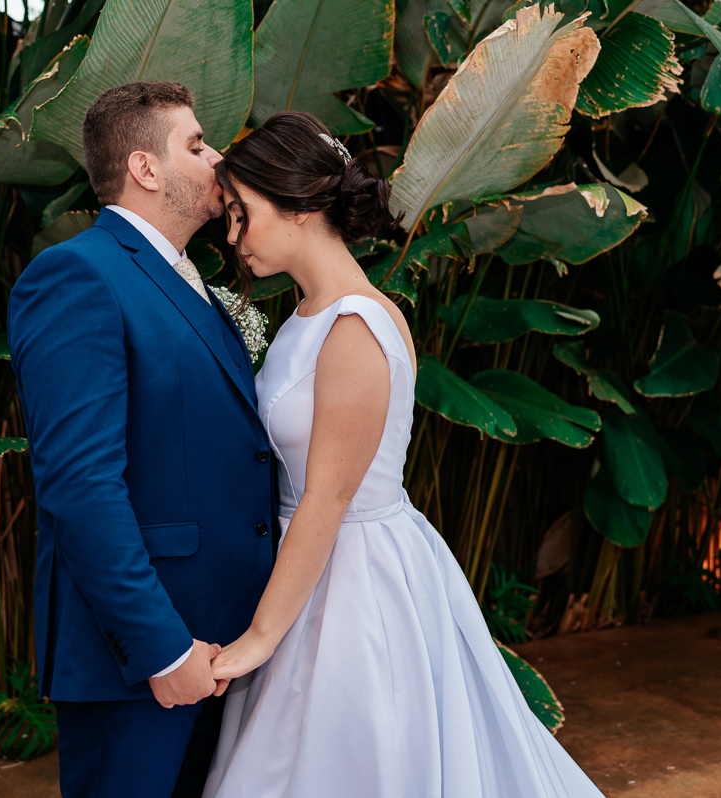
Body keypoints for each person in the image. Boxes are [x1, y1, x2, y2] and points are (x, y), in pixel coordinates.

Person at [202, 111, 605, 798]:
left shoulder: (355, 324)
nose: (234, 237)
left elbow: (328, 496)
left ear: (297, 206)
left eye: (243, 214)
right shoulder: (307, 315)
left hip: (355, 574)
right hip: (312, 564)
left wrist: (262, 637)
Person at [7, 82, 277, 798]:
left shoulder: (198, 286)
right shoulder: (78, 276)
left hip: (225, 640)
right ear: (145, 168)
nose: (217, 158)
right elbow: (80, 484)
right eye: (196, 144)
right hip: (142, 653)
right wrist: (161, 647)